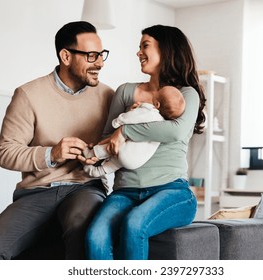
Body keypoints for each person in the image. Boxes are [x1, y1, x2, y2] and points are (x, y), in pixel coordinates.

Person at [0, 21, 114, 260]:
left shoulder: (108, 96)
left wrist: (99, 153)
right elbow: (5, 152)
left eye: (101, 55)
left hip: (85, 187)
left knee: (82, 227)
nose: (99, 63)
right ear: (66, 56)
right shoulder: (28, 95)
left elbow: (116, 147)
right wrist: (51, 154)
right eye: (91, 56)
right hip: (37, 192)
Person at [85, 24, 207, 260]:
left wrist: (128, 129)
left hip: (172, 190)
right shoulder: (125, 92)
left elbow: (176, 132)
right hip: (126, 191)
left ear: (167, 50)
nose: (138, 52)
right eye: (139, 47)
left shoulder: (186, 93)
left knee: (135, 223)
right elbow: (107, 139)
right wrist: (97, 150)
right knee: (95, 235)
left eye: (145, 46)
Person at [83, 85, 186, 177]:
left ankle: (90, 154)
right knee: (115, 164)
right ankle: (97, 171)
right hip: (136, 162)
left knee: (111, 147)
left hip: (124, 151)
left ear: (157, 104)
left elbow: (132, 117)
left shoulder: (150, 111)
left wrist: (118, 121)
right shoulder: (163, 126)